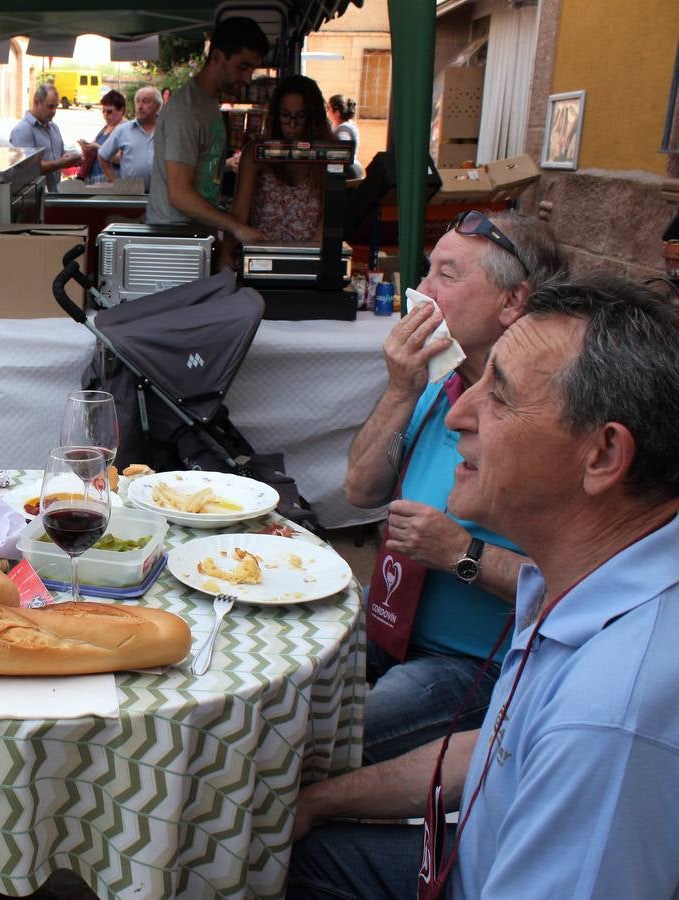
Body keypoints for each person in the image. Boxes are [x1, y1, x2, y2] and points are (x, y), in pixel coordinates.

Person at [288, 274, 679, 900]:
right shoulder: (591, 581)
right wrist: (324, 801)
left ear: (603, 455)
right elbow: (499, 747)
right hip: (467, 856)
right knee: (288, 846)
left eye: (499, 396)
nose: (460, 414)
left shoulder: (610, 716)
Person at [344, 210, 566, 764]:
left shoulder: (552, 419)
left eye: (447, 274)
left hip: (471, 664)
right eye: (426, 272)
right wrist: (400, 389)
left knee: (320, 741)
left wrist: (463, 554)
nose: (420, 291)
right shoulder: (441, 380)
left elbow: (586, 588)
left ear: (513, 303)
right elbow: (359, 489)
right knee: (279, 658)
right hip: (389, 622)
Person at [147, 16, 269, 242]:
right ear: (217, 57)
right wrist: (236, 227)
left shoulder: (208, 103)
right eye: (242, 67)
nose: (248, 78)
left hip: (195, 237)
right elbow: (180, 193)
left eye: (252, 69)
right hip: (175, 241)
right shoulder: (186, 111)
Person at [230, 74, 331, 244]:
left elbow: (328, 221)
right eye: (285, 116)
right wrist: (227, 255)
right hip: (260, 259)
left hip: (310, 260)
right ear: (276, 116)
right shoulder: (257, 153)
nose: (292, 125)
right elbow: (239, 215)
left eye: (300, 116)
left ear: (312, 117)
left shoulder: (326, 154)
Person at [9, 84, 82, 192]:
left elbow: (59, 155)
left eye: (56, 107)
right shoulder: (23, 130)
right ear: (36, 102)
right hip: (34, 200)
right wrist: (60, 163)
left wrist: (73, 159)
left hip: (53, 195)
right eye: (50, 106)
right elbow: (26, 168)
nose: (54, 111)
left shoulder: (53, 127)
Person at [98, 85, 160, 188]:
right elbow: (102, 155)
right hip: (131, 196)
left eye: (145, 101)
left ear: (158, 106)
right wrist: (114, 182)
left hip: (162, 195)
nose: (140, 106)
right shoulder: (123, 130)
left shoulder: (168, 130)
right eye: (137, 101)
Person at [77, 89, 126, 183]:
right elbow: (94, 148)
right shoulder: (106, 127)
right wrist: (86, 147)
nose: (105, 115)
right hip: (95, 179)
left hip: (110, 181)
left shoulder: (125, 129)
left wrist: (98, 148)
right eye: (103, 111)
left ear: (121, 110)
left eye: (109, 111)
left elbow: (121, 159)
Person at [327, 93, 363, 179]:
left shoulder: (344, 130)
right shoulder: (343, 124)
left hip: (348, 171)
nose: (327, 111)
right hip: (349, 168)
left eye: (328, 108)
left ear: (337, 112)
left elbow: (342, 155)